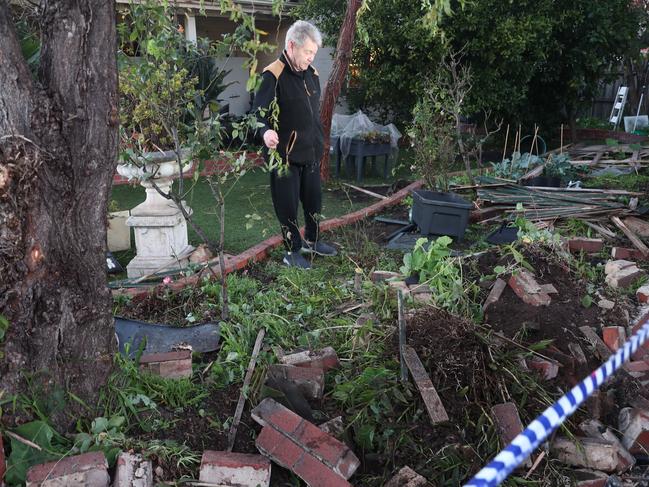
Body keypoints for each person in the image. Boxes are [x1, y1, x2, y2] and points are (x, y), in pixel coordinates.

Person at [252, 20, 337, 269]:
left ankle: (312, 239)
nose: (311, 57)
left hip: (310, 152)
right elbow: (256, 115)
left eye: (314, 52)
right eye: (308, 51)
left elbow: (311, 114)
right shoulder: (272, 76)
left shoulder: (312, 75)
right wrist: (265, 131)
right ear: (292, 46)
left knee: (314, 202)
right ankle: (292, 251)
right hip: (284, 157)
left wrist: (319, 142)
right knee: (287, 206)